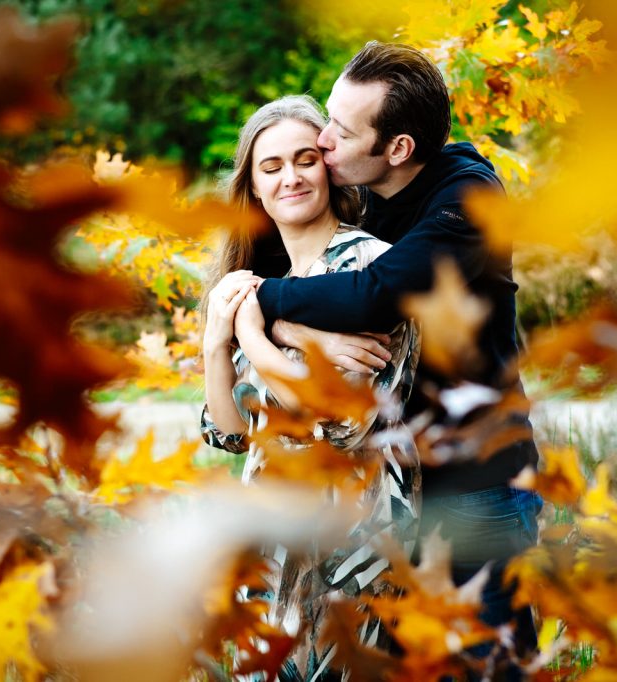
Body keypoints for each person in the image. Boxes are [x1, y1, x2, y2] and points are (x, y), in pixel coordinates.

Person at [253, 42, 543, 676]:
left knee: (491, 664)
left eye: (341, 130)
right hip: (395, 494)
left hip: (477, 484)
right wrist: (298, 332)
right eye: (328, 116)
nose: (324, 141)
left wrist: (253, 300)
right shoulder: (368, 189)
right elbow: (324, 280)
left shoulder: (468, 201)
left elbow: (373, 295)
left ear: (399, 149)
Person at [199, 94, 421, 680]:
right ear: (253, 187)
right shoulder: (271, 288)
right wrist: (214, 347)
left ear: (329, 166)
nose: (291, 177)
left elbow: (340, 417)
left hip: (353, 543)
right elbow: (230, 433)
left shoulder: (369, 272)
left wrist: (251, 335)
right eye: (271, 167)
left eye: (305, 159)